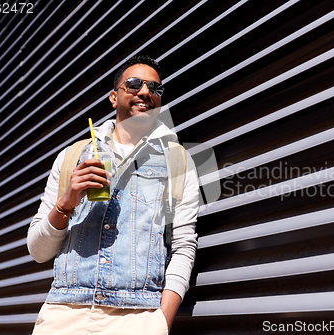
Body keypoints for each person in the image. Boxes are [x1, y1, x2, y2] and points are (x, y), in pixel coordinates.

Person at [28, 55, 199, 335]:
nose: (145, 92)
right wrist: (66, 203)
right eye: (134, 84)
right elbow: (38, 251)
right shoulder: (73, 156)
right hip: (64, 315)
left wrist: (160, 323)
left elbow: (183, 247)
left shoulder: (177, 161)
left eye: (154, 88)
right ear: (113, 97)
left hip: (137, 319)